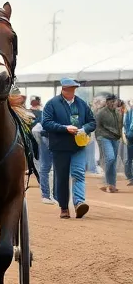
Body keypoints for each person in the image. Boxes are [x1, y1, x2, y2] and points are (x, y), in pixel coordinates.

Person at [41, 78, 96, 219]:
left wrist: (85, 128)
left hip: (79, 146)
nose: (71, 92)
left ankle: (79, 203)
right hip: (60, 147)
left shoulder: (81, 104)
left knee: (78, 173)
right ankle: (64, 208)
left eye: (73, 89)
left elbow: (92, 122)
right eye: (69, 89)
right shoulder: (52, 104)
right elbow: (46, 123)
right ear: (63, 89)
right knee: (62, 177)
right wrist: (65, 128)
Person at [95, 94, 122, 193]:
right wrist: (99, 139)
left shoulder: (118, 112)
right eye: (110, 101)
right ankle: (106, 183)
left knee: (113, 162)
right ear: (107, 102)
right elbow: (96, 126)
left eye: (113, 101)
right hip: (104, 137)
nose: (112, 103)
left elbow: (120, 125)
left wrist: (120, 137)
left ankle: (112, 185)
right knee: (110, 158)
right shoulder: (101, 113)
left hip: (115, 138)